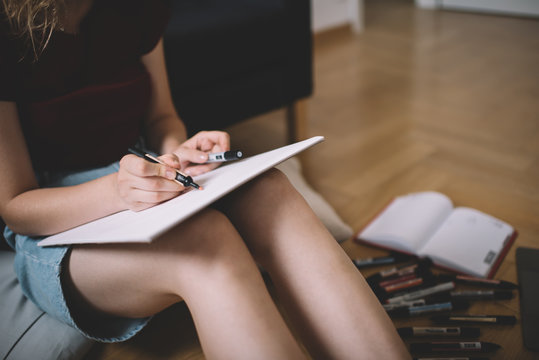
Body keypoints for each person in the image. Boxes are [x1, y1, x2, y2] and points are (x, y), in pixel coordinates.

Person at [0, 0, 410, 358]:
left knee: (270, 189)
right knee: (206, 241)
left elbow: (162, 117)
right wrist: (118, 191)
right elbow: (16, 208)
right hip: (57, 226)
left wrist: (177, 154)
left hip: (144, 175)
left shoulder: (138, 7)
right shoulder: (7, 28)